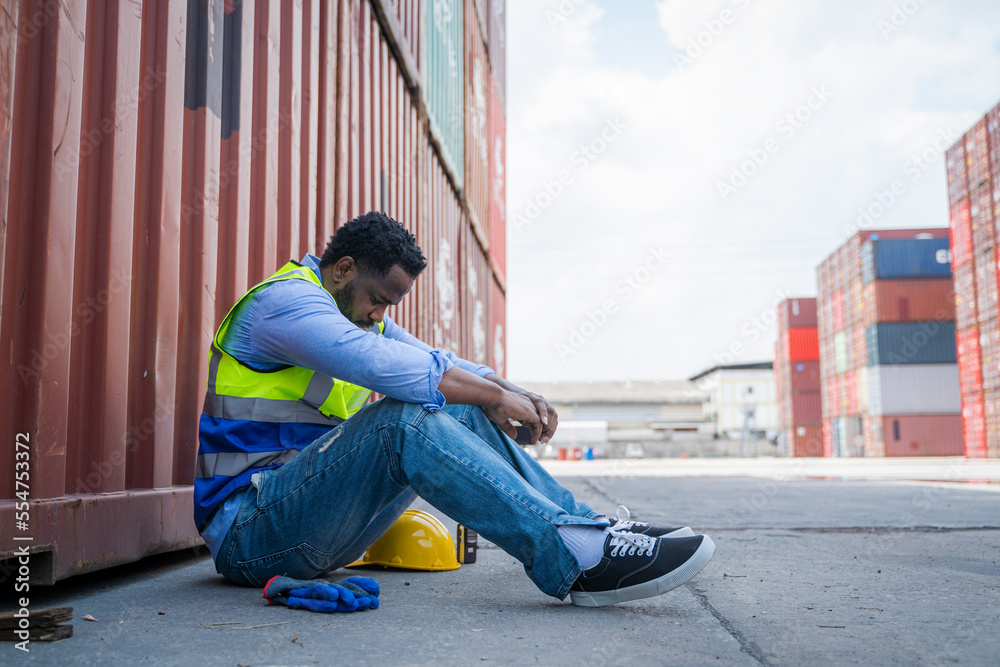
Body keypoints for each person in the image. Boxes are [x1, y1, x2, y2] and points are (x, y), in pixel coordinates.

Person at [194, 211, 714, 607]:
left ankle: (588, 528)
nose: (380, 315)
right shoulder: (284, 305)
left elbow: (431, 359)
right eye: (377, 299)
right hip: (250, 533)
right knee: (404, 419)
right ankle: (575, 560)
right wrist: (493, 395)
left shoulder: (354, 315)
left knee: (461, 406)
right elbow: (383, 366)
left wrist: (508, 390)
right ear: (344, 269)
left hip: (307, 517)